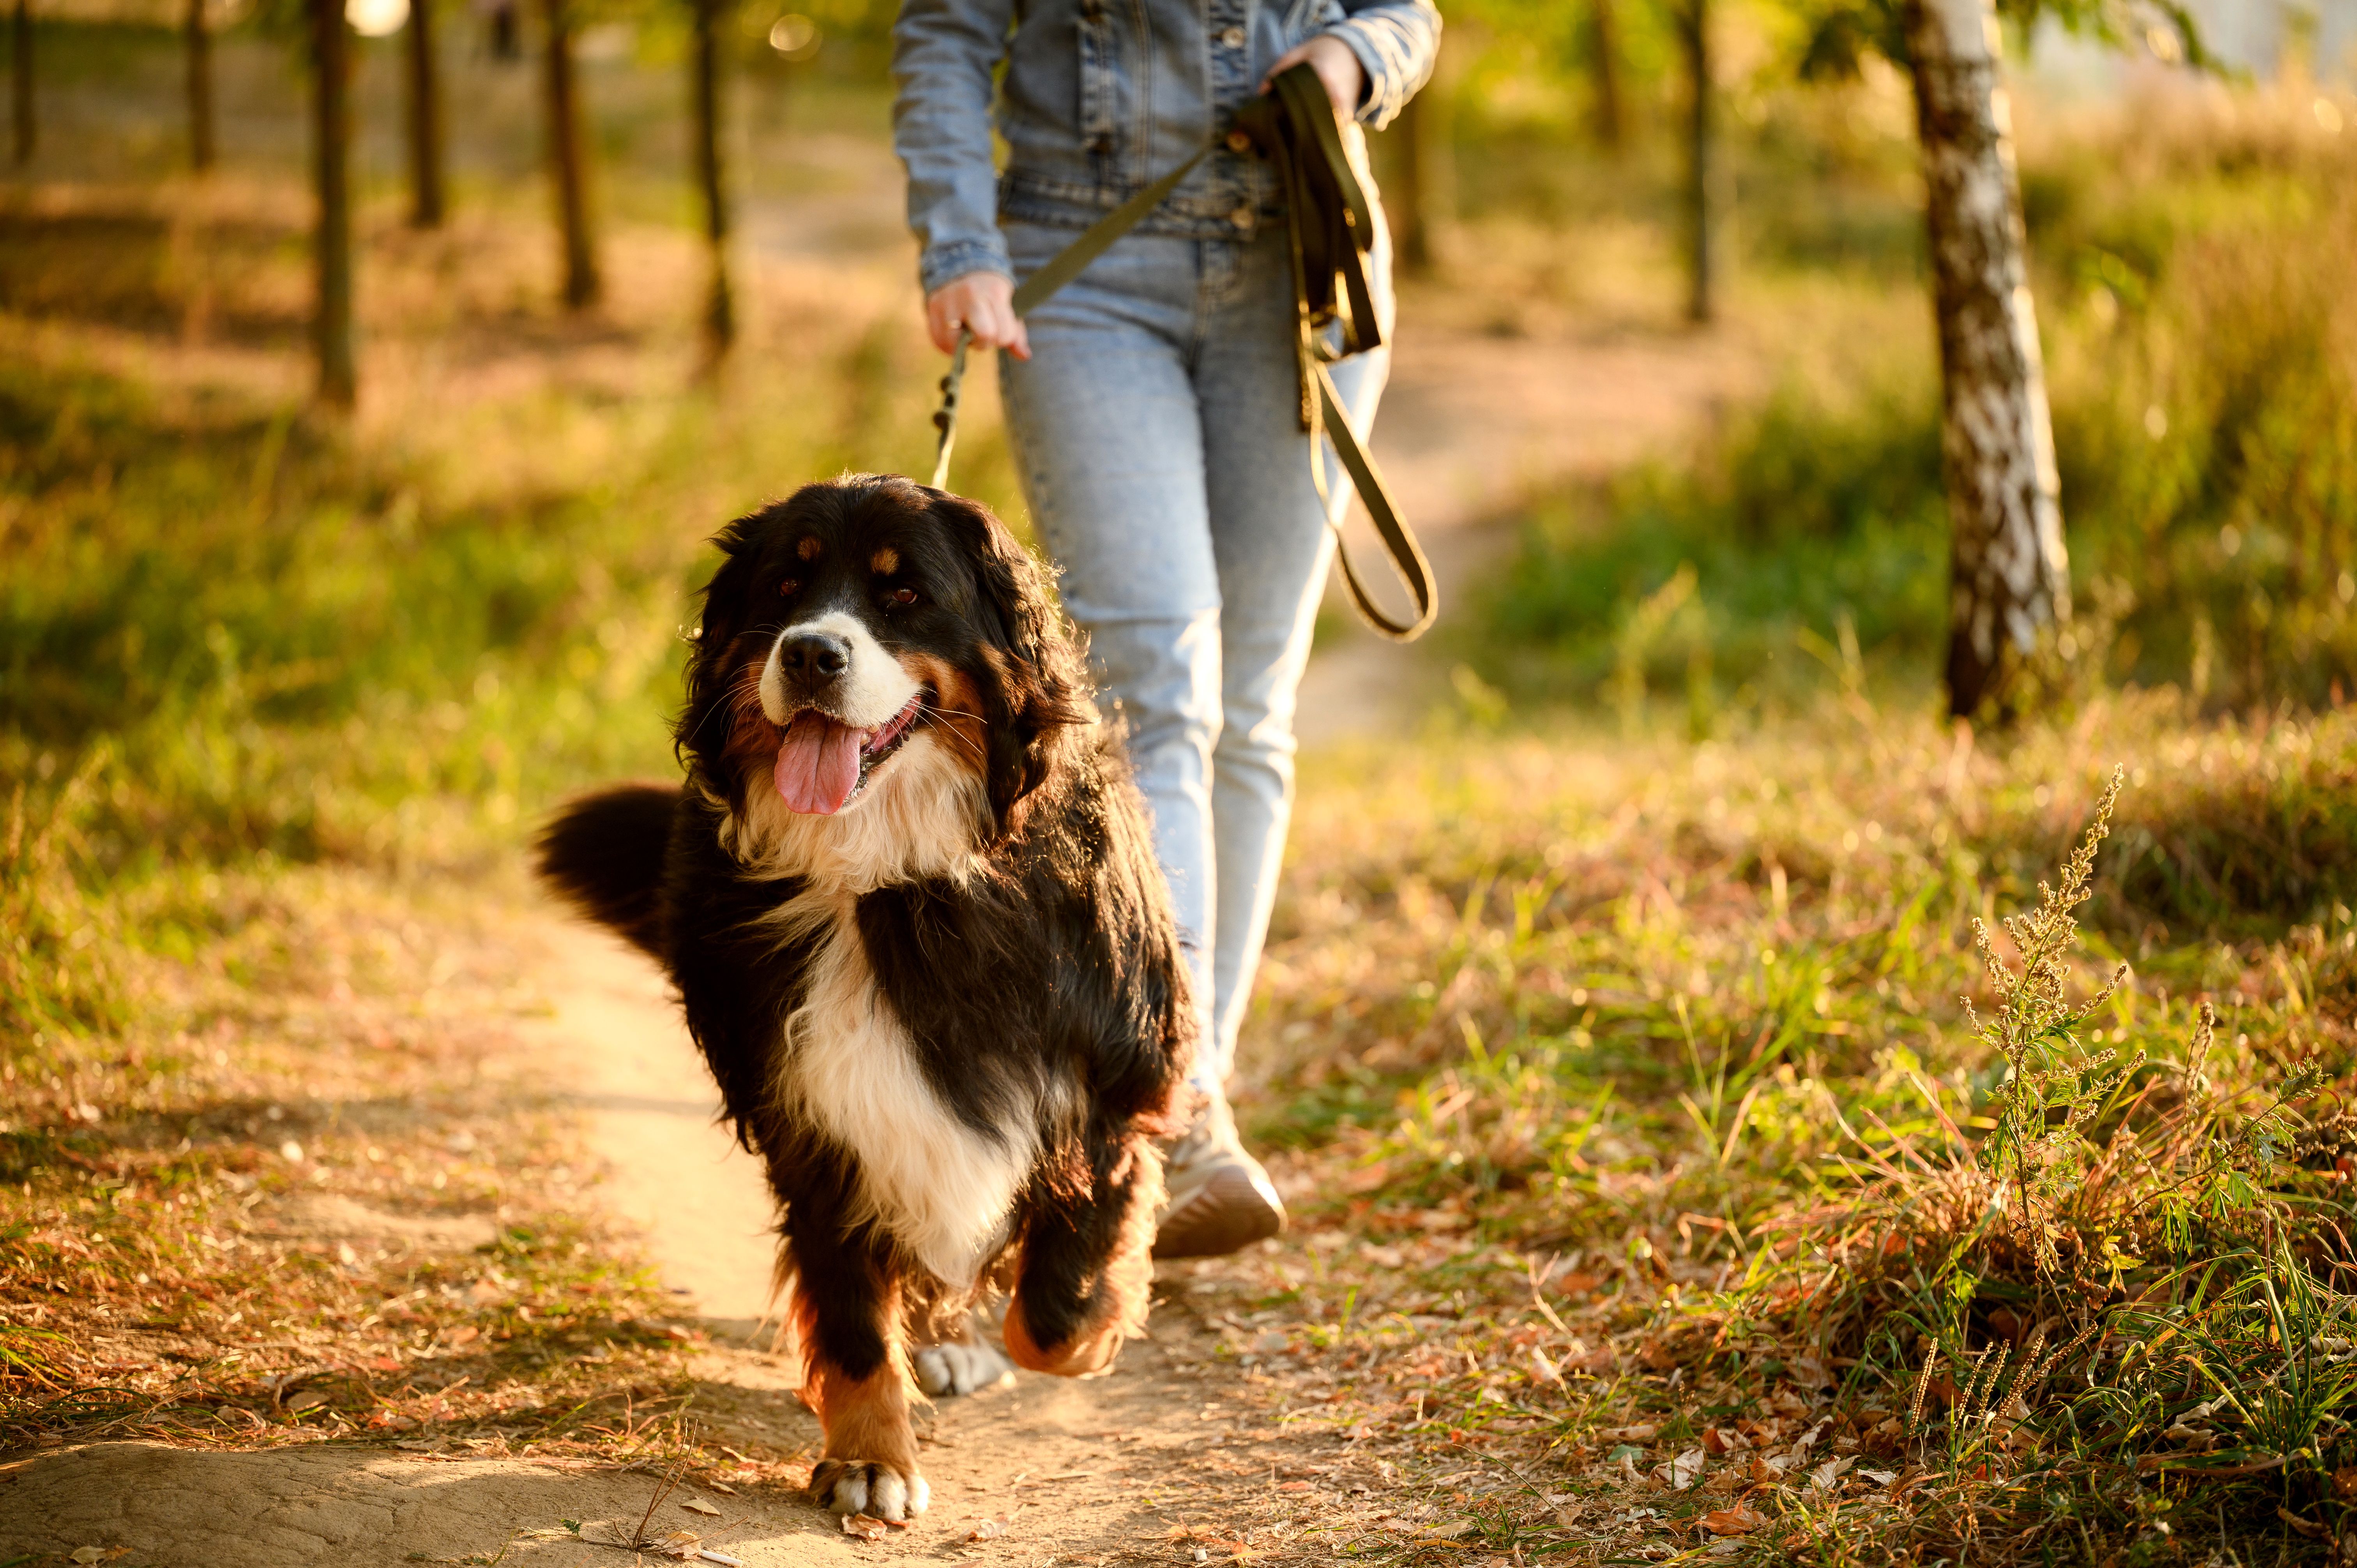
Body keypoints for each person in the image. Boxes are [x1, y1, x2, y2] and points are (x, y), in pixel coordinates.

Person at [892, 0, 1440, 1257]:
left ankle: (1187, 1096)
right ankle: (1180, 1113)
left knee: (1249, 709)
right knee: (1154, 686)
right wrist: (957, 240)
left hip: (1302, 254)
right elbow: (945, 26)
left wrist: (1357, 60)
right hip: (1089, 266)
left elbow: (1408, 9)